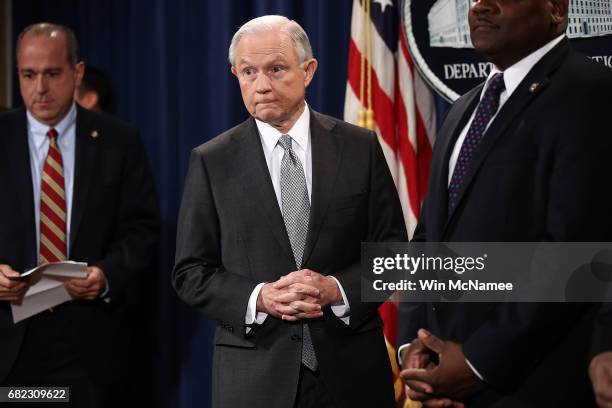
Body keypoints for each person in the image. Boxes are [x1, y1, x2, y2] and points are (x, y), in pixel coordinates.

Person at [172, 15, 406, 408]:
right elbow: (190, 272)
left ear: (308, 70)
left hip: (353, 374)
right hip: (254, 379)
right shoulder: (212, 161)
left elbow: (394, 252)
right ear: (235, 75)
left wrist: (337, 289)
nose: (261, 84)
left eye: (275, 69)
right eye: (248, 72)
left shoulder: (359, 147)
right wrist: (260, 297)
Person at [397, 0, 612, 407]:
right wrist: (413, 345)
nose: (480, 6)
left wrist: (478, 362)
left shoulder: (592, 93)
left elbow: (572, 251)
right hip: (440, 379)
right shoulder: (464, 109)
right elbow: (429, 238)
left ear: (556, 10)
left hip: (533, 384)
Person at [0, 23, 159, 407]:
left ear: (78, 72)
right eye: (28, 75)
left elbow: (143, 231)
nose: (39, 88)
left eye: (52, 74)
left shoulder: (118, 141)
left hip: (91, 345)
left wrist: (106, 276)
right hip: (11, 345)